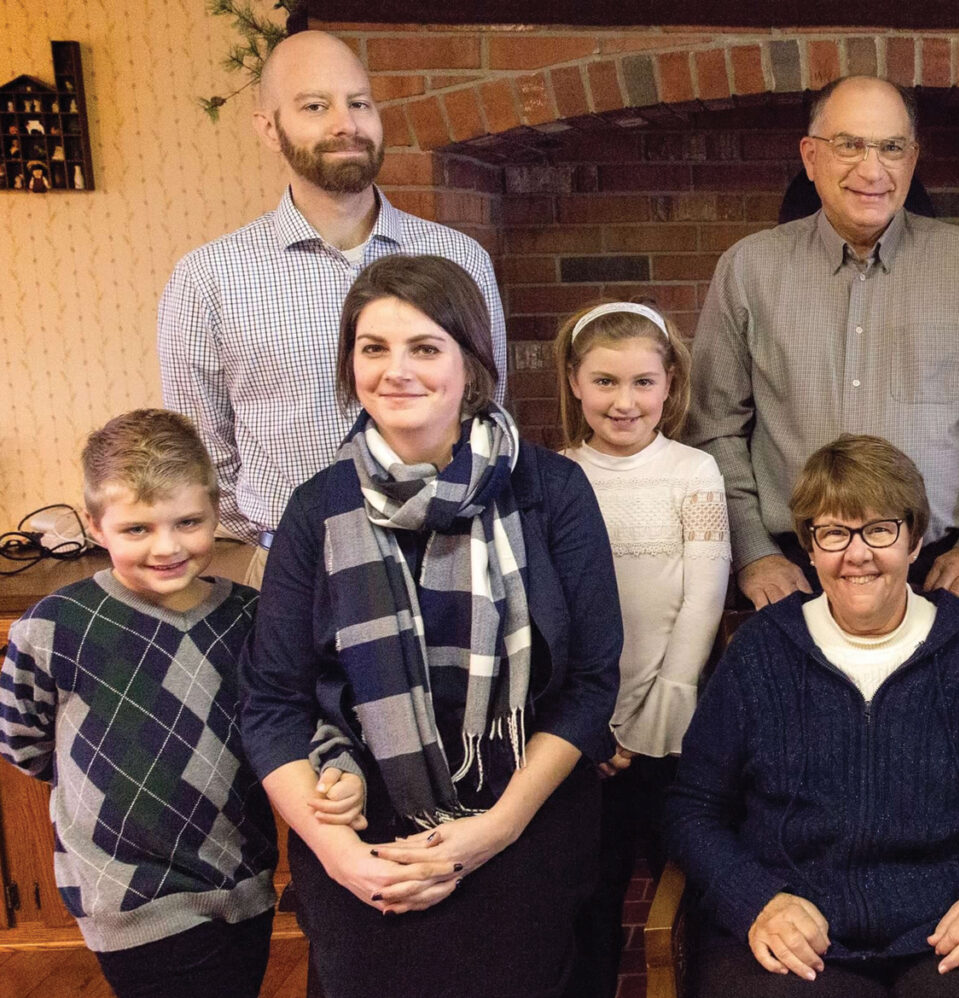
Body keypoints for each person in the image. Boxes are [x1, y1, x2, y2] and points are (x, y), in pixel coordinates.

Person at [240, 254, 621, 998]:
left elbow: (590, 685)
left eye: (424, 347)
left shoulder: (552, 490)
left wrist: (497, 829)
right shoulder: (318, 508)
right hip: (364, 832)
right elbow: (272, 704)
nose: (396, 370)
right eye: (373, 347)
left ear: (471, 363)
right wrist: (339, 853)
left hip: (522, 819)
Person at [665, 434, 959, 998]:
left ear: (915, 540)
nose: (857, 554)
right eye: (833, 532)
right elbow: (693, 808)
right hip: (799, 931)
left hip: (955, 929)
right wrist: (755, 900)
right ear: (809, 548)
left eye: (879, 529)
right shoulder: (761, 651)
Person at [158, 29, 507, 586]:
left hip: (448, 560)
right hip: (294, 568)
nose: (346, 123)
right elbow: (201, 450)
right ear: (269, 128)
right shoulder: (209, 278)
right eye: (315, 106)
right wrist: (277, 535)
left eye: (359, 103)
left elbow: (485, 403)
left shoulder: (458, 257)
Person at [686, 75, 959, 609]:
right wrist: (752, 551)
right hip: (793, 576)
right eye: (849, 145)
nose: (872, 169)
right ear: (811, 156)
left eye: (891, 148)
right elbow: (712, 426)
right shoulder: (748, 269)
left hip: (943, 573)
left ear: (912, 159)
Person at [0, 409, 279, 998]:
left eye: (188, 522)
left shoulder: (250, 617)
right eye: (137, 530)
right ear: (95, 525)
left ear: (215, 508)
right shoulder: (54, 626)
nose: (167, 547)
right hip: (127, 895)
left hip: (242, 879)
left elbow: (275, 725)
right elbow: (24, 742)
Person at [555, 301, 731, 997]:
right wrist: (590, 724)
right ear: (573, 382)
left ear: (670, 384)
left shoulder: (695, 473)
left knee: (681, 882)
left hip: (671, 721)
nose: (623, 402)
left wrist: (661, 713)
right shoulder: (557, 476)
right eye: (604, 382)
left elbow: (703, 597)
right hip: (585, 728)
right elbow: (555, 614)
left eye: (641, 383)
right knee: (591, 892)